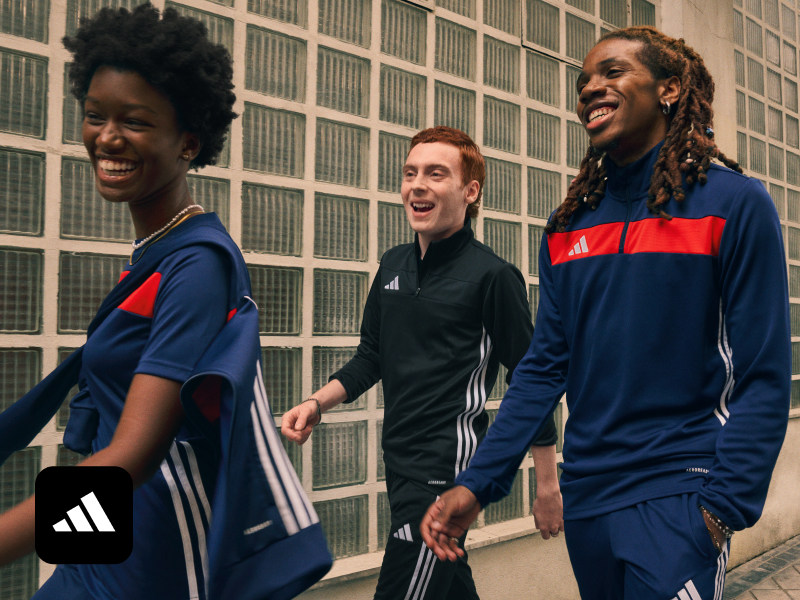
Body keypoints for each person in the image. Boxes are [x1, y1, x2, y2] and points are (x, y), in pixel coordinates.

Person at [421, 26, 791, 600]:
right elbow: (543, 367)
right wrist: (477, 484)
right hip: (590, 501)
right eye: (583, 81)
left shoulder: (734, 204)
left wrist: (722, 509)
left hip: (678, 493)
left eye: (612, 73)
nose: (590, 88)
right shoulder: (569, 227)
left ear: (669, 89)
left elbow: (764, 373)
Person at [0, 5, 330, 599]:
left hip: (155, 557)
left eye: (135, 121)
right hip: (108, 536)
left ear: (189, 142)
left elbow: (133, 458)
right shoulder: (159, 249)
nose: (107, 136)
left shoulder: (197, 264)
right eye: (95, 115)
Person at [282, 125, 561, 600]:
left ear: (470, 191)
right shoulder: (393, 264)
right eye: (410, 173)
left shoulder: (493, 276)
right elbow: (372, 355)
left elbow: (530, 378)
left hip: (448, 469)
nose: (418, 184)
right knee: (445, 586)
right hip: (401, 461)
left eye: (436, 173)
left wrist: (547, 484)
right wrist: (317, 402)